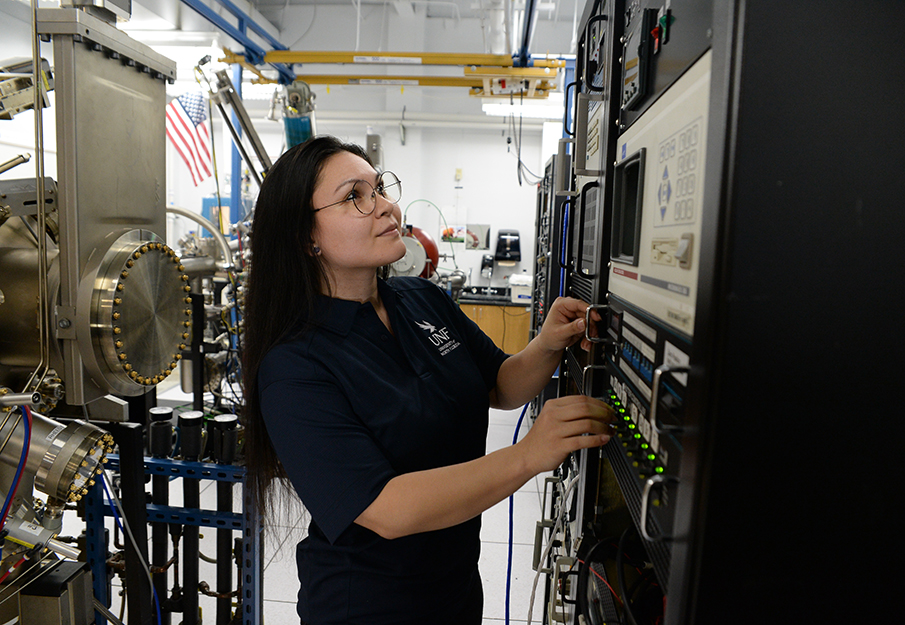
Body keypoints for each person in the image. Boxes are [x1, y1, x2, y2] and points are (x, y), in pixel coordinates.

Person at [242, 135, 615, 625]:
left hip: (455, 587)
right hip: (369, 606)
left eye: (380, 188)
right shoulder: (293, 366)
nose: (387, 207)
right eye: (356, 196)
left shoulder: (420, 298)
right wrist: (527, 455)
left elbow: (499, 384)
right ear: (303, 237)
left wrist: (547, 343)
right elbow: (386, 508)